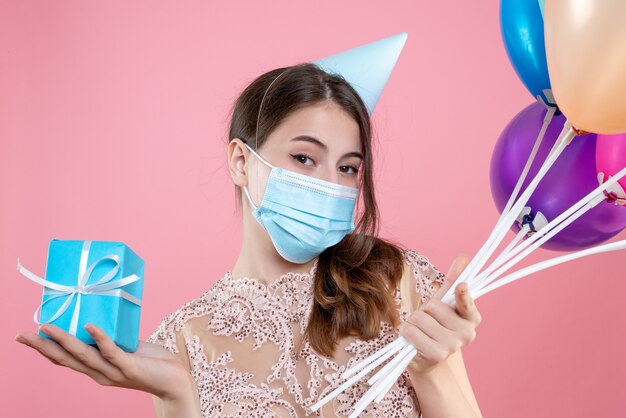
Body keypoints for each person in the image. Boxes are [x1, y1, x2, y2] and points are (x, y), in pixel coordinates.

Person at [15, 62, 483, 417]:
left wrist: (431, 369)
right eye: (304, 158)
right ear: (242, 162)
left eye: (347, 168)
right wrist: (178, 393)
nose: (330, 185)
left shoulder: (398, 283)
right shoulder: (184, 339)